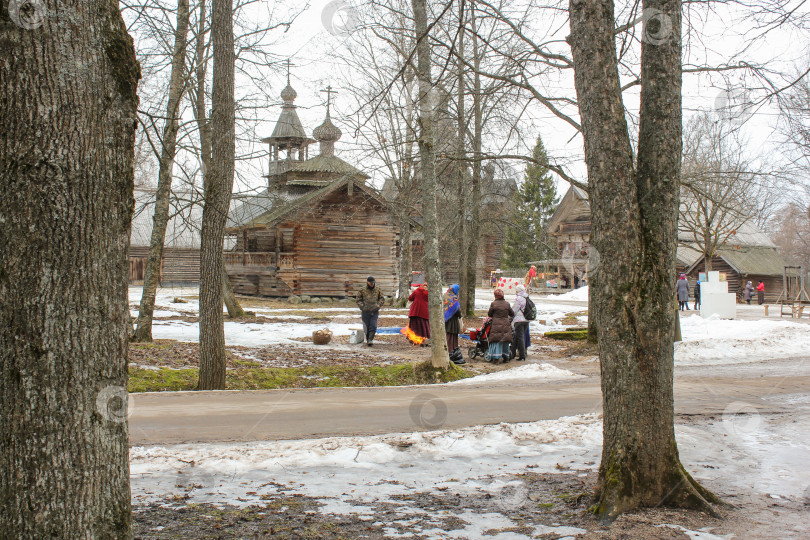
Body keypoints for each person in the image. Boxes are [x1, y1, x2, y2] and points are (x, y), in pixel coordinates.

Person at [486, 288, 514, 364]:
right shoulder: (507, 304)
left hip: (496, 324)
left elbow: (490, 314)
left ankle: (496, 359)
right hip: (505, 324)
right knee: (505, 341)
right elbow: (512, 313)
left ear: (495, 296)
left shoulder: (493, 304)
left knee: (496, 341)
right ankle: (506, 357)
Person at [356, 276, 385, 346]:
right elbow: (358, 300)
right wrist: (363, 307)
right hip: (365, 311)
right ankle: (368, 338)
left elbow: (382, 299)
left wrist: (378, 305)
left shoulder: (378, 289)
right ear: (367, 282)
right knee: (366, 326)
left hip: (374, 311)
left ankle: (370, 339)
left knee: (373, 325)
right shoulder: (362, 290)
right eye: (370, 283)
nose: (372, 284)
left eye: (373, 283)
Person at [443, 284, 464, 363]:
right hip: (453, 321)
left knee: (447, 334)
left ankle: (446, 349)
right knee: (452, 336)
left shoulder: (444, 296)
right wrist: (460, 315)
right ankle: (451, 350)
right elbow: (457, 310)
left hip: (445, 320)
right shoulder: (454, 298)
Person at [510, 285, 530, 361]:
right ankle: (512, 353)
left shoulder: (519, 298)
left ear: (518, 291)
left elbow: (514, 310)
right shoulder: (526, 297)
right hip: (526, 320)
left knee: (520, 337)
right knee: (516, 336)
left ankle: (522, 355)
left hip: (519, 321)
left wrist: (509, 317)